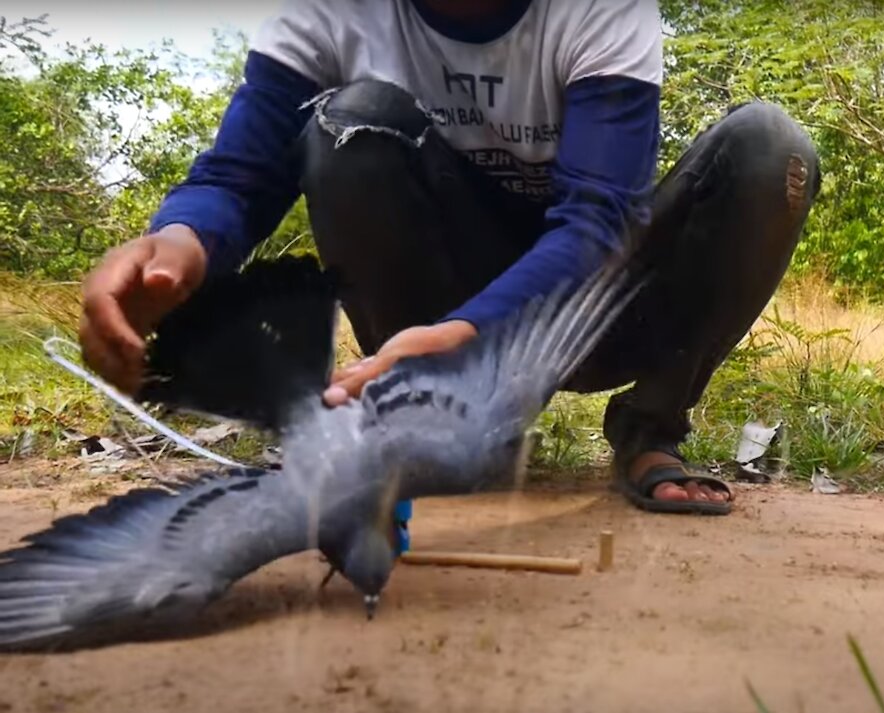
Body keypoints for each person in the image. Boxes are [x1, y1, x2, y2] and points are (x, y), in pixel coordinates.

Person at [76, 0, 820, 523]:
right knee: (352, 122)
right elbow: (238, 175)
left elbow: (598, 220)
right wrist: (177, 243)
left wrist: (474, 331)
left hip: (595, 308)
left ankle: (650, 427)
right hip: (442, 301)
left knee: (770, 150)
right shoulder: (327, 12)